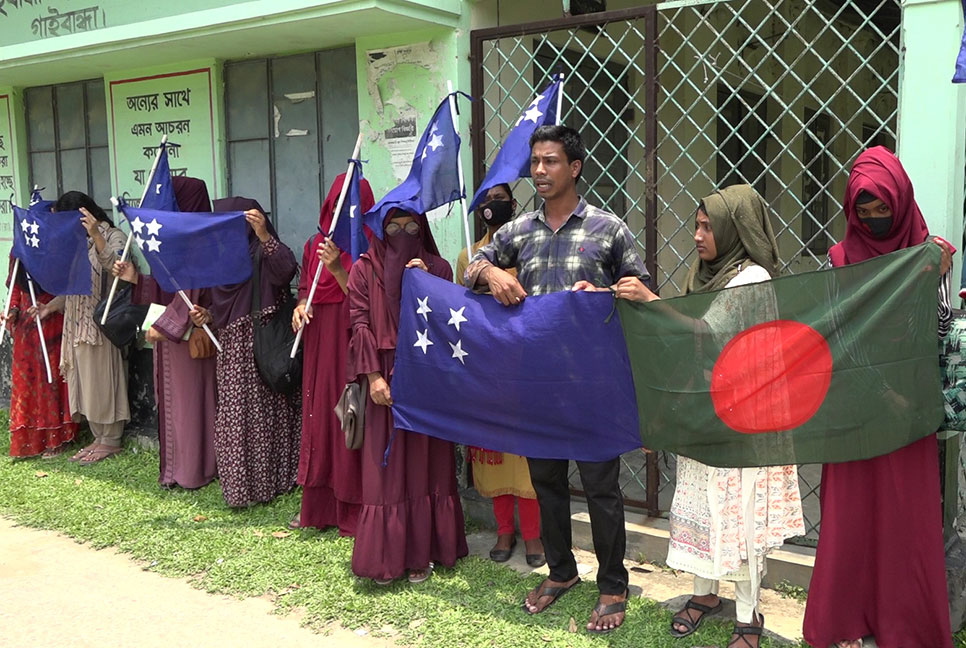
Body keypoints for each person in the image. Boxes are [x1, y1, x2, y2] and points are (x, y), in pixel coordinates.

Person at [465, 125, 648, 633]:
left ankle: (613, 584)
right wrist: (492, 275)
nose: (540, 171)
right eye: (536, 163)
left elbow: (641, 289)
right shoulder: (517, 232)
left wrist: (607, 290)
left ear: (575, 167)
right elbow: (471, 268)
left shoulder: (609, 229)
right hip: (536, 382)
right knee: (546, 482)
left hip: (592, 383)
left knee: (601, 487)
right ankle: (562, 572)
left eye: (550, 162)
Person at [611, 185, 805, 648]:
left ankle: (747, 616)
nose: (697, 235)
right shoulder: (708, 275)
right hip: (707, 407)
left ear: (734, 230)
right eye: (697, 224)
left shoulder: (752, 277)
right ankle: (704, 595)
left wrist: (651, 301)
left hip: (744, 417)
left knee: (738, 511)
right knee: (702, 502)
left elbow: (713, 332)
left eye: (707, 226)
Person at [802, 147, 954, 648]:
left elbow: (936, 330)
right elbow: (836, 336)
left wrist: (937, 276)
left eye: (881, 209)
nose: (872, 221)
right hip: (859, 409)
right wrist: (880, 391)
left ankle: (905, 624)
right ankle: (846, 617)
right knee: (852, 518)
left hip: (910, 413)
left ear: (902, 200)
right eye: (862, 212)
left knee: (905, 520)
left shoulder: (928, 252)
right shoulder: (839, 259)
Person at [346, 208, 468, 585]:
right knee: (387, 471)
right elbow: (359, 322)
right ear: (381, 231)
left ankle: (424, 554)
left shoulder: (439, 267)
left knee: (426, 464)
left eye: (411, 227)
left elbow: (453, 320)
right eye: (393, 227)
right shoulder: (365, 268)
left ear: (423, 229)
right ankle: (386, 557)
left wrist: (429, 284)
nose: (402, 233)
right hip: (383, 377)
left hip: (426, 376)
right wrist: (374, 377)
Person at [188, 198, 301, 507]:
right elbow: (218, 306)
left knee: (267, 415)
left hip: (263, 344)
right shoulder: (221, 260)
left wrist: (264, 235)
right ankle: (243, 488)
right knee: (237, 419)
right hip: (232, 351)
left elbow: (287, 270)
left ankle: (275, 481)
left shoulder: (261, 252)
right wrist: (206, 316)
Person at [456, 183, 545, 567]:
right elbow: (460, 307)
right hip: (488, 365)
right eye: (487, 199)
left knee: (529, 453)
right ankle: (504, 530)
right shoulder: (469, 256)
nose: (495, 205)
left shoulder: (531, 248)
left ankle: (535, 536)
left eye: (501, 198)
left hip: (528, 364)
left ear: (513, 204)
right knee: (494, 454)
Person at [112, 177, 217, 489]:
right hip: (167, 340)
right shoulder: (173, 244)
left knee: (192, 405)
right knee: (172, 406)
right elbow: (162, 289)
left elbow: (195, 293)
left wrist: (166, 326)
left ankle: (195, 471)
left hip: (190, 340)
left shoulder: (202, 245)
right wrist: (135, 278)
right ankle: (174, 471)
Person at [289, 174, 374, 533]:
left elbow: (364, 298)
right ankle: (318, 509)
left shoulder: (371, 244)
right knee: (320, 418)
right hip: (320, 342)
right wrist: (301, 306)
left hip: (352, 341)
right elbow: (306, 288)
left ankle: (353, 511)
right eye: (336, 202)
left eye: (349, 203)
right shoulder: (314, 246)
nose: (341, 213)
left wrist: (339, 266)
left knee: (349, 416)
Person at [53, 192, 130, 465]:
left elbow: (120, 269)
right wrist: (50, 307)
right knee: (86, 385)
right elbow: (74, 287)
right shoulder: (78, 245)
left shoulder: (114, 236)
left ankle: (111, 440)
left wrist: (97, 235)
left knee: (102, 383)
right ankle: (98, 438)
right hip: (76, 325)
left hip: (101, 326)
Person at [3, 261, 77, 458]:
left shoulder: (60, 242)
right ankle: (30, 436)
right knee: (27, 380)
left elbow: (72, 282)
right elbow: (16, 287)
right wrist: (13, 310)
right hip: (26, 322)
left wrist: (51, 307)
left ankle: (57, 437)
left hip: (53, 318)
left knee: (51, 378)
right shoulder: (19, 248)